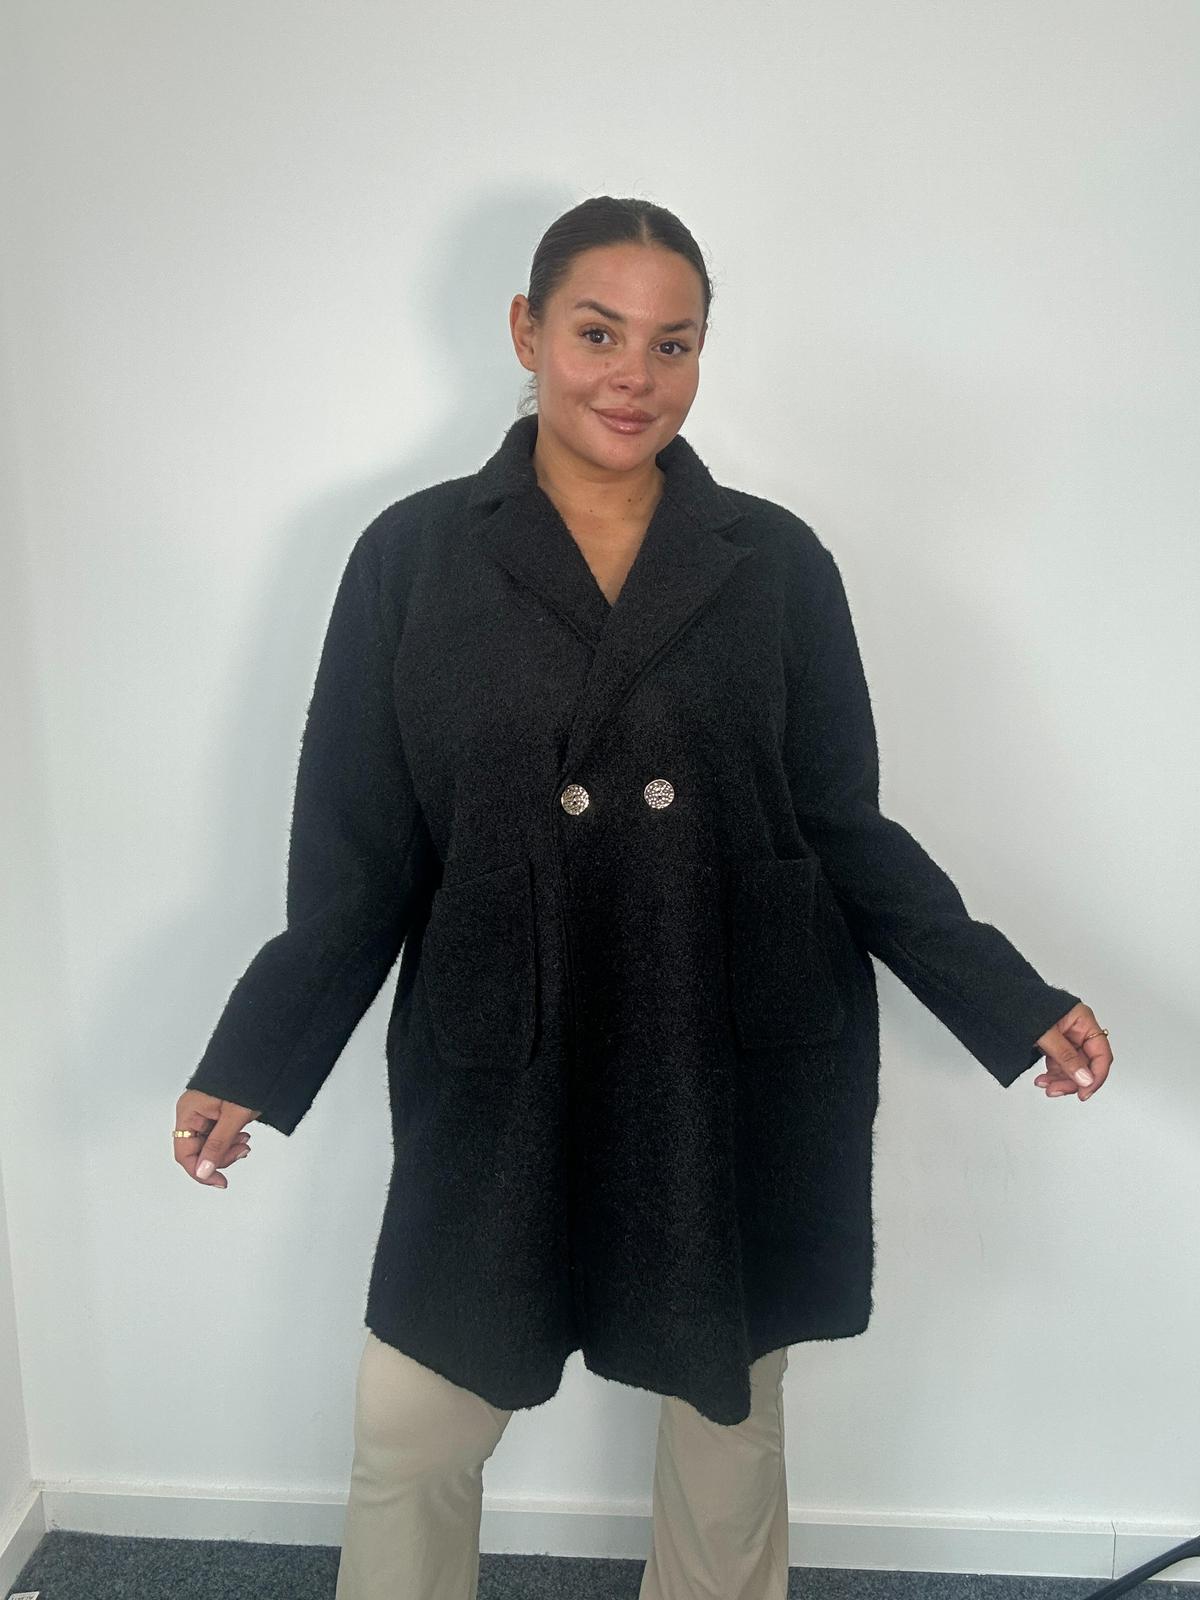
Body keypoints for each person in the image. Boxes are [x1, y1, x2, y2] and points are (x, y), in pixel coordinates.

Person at [173, 196, 1112, 1600]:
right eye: (599, 333)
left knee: (728, 1427)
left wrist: (1006, 998)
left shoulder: (774, 562)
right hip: (511, 1043)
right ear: (526, 331)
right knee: (414, 1420)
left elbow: (840, 823)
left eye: (673, 343)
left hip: (716, 1037)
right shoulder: (412, 556)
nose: (635, 375)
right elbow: (358, 855)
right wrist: (257, 1057)